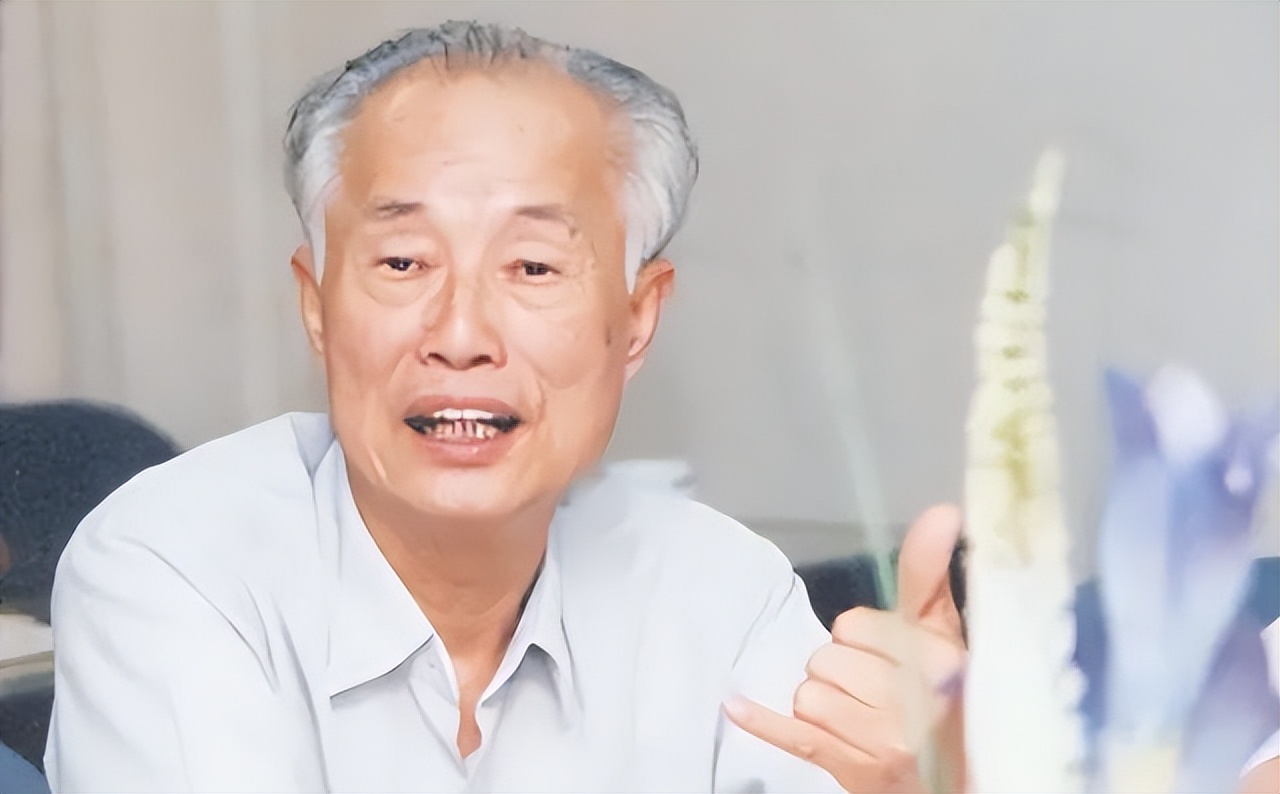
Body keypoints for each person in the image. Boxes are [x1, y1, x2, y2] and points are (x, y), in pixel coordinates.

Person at [44, 22, 966, 791]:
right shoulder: (174, 568)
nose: (460, 333)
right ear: (317, 308)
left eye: (532, 266)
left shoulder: (721, 595)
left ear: (636, 320)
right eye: (402, 262)